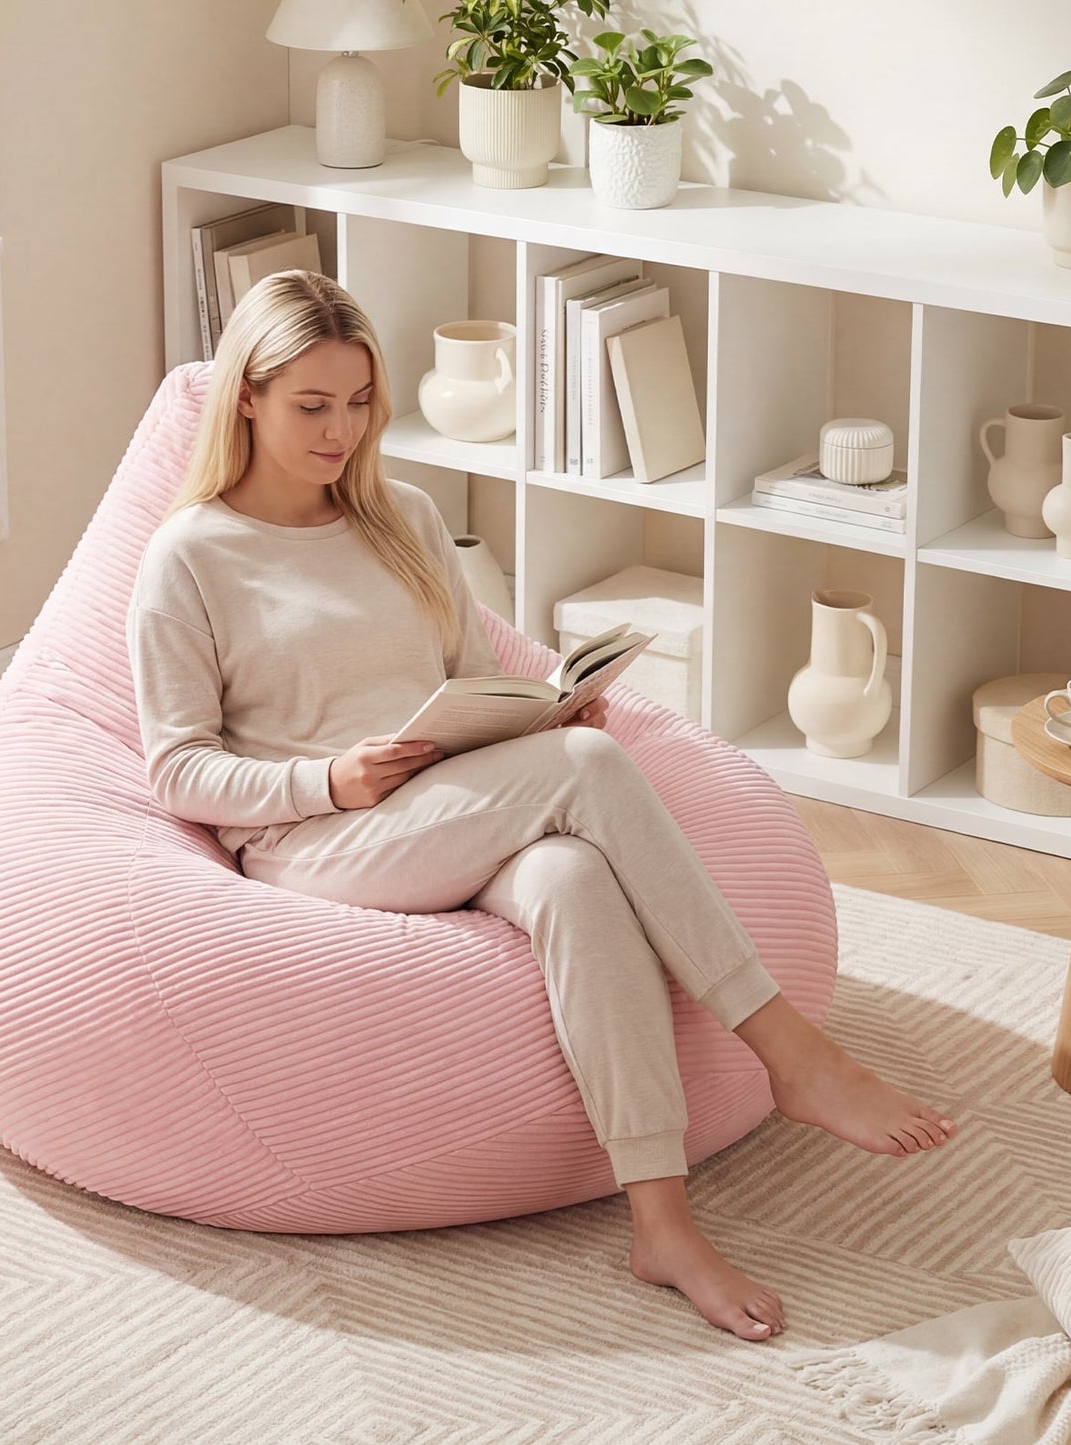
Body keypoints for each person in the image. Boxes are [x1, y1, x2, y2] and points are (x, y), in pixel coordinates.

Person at [127, 269, 956, 1341]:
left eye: (359, 401)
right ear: (245, 396)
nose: (342, 431)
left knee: (572, 874)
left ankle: (660, 1220)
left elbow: (473, 673)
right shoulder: (189, 556)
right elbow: (176, 767)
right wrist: (323, 779)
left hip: (444, 803)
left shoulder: (401, 517)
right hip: (314, 837)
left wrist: (547, 710)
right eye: (311, 406)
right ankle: (788, 1049)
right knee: (581, 771)